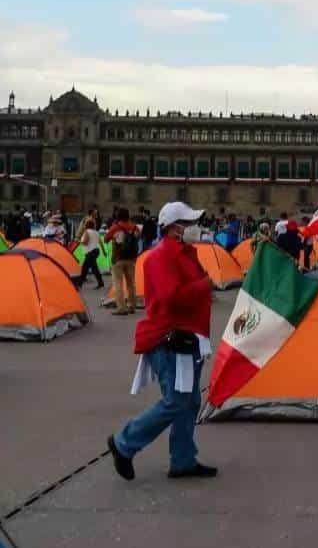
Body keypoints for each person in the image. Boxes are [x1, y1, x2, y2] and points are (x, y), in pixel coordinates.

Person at [107, 201, 216, 482]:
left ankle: (183, 460)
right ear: (175, 228)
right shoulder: (162, 257)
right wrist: (204, 286)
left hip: (187, 337)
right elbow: (171, 298)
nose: (195, 228)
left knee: (189, 401)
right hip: (170, 337)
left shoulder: (185, 253)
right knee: (177, 401)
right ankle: (123, 443)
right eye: (189, 223)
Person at [106, 208, 141, 316]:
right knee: (131, 283)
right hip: (131, 258)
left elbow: (106, 238)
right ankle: (132, 305)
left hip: (118, 258)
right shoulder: (134, 227)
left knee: (118, 283)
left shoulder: (115, 227)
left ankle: (121, 308)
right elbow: (138, 237)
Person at [76, 219, 104, 289]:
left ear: (86, 225)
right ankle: (100, 282)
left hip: (90, 252)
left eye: (85, 224)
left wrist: (79, 241)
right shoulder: (96, 232)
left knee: (85, 268)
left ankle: (79, 284)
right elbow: (100, 242)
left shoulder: (87, 232)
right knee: (94, 268)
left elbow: (85, 242)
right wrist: (104, 251)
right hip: (96, 251)